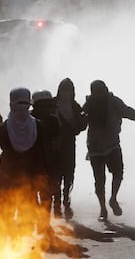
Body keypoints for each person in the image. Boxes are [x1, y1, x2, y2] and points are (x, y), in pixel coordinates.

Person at [0, 88, 50, 252]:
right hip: (8, 181)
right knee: (4, 220)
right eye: (19, 104)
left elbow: (46, 155)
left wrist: (47, 180)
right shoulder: (3, 129)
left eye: (25, 104)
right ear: (11, 105)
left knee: (26, 224)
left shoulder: (39, 127)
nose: (22, 108)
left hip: (30, 183)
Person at [82, 80, 135, 221]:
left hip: (109, 145)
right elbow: (80, 120)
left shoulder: (111, 101)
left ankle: (111, 201)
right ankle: (104, 208)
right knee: (105, 178)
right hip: (97, 146)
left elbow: (127, 111)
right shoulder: (91, 104)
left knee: (112, 175)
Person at [53, 78, 87, 219]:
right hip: (55, 145)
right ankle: (57, 204)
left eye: (69, 90)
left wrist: (83, 120)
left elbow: (80, 126)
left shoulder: (75, 106)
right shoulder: (52, 104)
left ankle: (66, 202)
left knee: (68, 174)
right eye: (64, 89)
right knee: (56, 175)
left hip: (69, 144)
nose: (66, 93)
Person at [31, 90, 61, 218]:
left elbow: (58, 140)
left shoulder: (53, 120)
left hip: (48, 161)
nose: (45, 108)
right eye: (42, 105)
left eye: (47, 105)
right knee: (31, 194)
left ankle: (44, 223)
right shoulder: (28, 119)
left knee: (46, 194)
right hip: (30, 162)